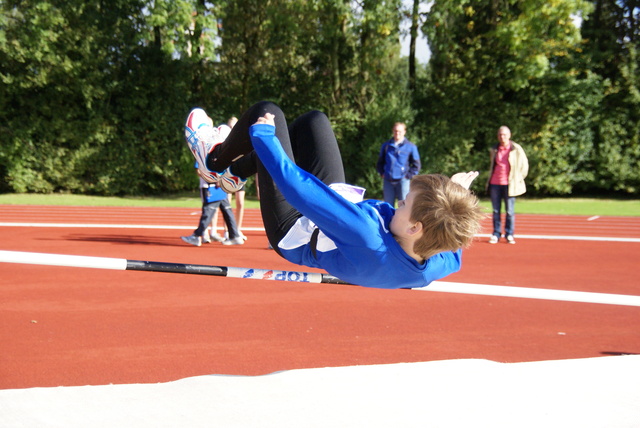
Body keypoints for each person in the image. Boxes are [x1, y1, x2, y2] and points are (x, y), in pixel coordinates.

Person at [184, 101, 483, 289]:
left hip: (295, 229)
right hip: (340, 207)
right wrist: (456, 193)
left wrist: (262, 136)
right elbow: (454, 244)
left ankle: (214, 161)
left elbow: (298, 189)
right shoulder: (436, 261)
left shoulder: (368, 236)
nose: (398, 202)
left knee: (268, 113)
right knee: (313, 122)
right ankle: (236, 173)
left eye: (404, 205)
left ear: (414, 228)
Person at [485, 126, 529, 245]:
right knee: (495, 210)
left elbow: (524, 166)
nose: (502, 137)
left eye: (504, 134)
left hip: (510, 184)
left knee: (509, 211)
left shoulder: (516, 149)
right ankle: (496, 234)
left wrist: (518, 178)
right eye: (500, 135)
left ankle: (509, 234)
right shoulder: (494, 149)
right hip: (495, 183)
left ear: (509, 135)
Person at [181, 175, 244, 247]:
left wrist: (219, 180)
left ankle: (197, 236)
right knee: (227, 211)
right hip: (218, 186)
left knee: (208, 211)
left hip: (213, 187)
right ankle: (235, 236)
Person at [376, 122, 421, 206]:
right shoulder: (386, 146)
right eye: (395, 131)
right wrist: (382, 173)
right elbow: (380, 162)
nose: (397, 133)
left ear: (404, 132)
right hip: (388, 180)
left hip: (403, 181)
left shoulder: (411, 147)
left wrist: (408, 176)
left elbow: (417, 165)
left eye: (399, 131)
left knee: (404, 205)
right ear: (393, 131)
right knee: (387, 206)